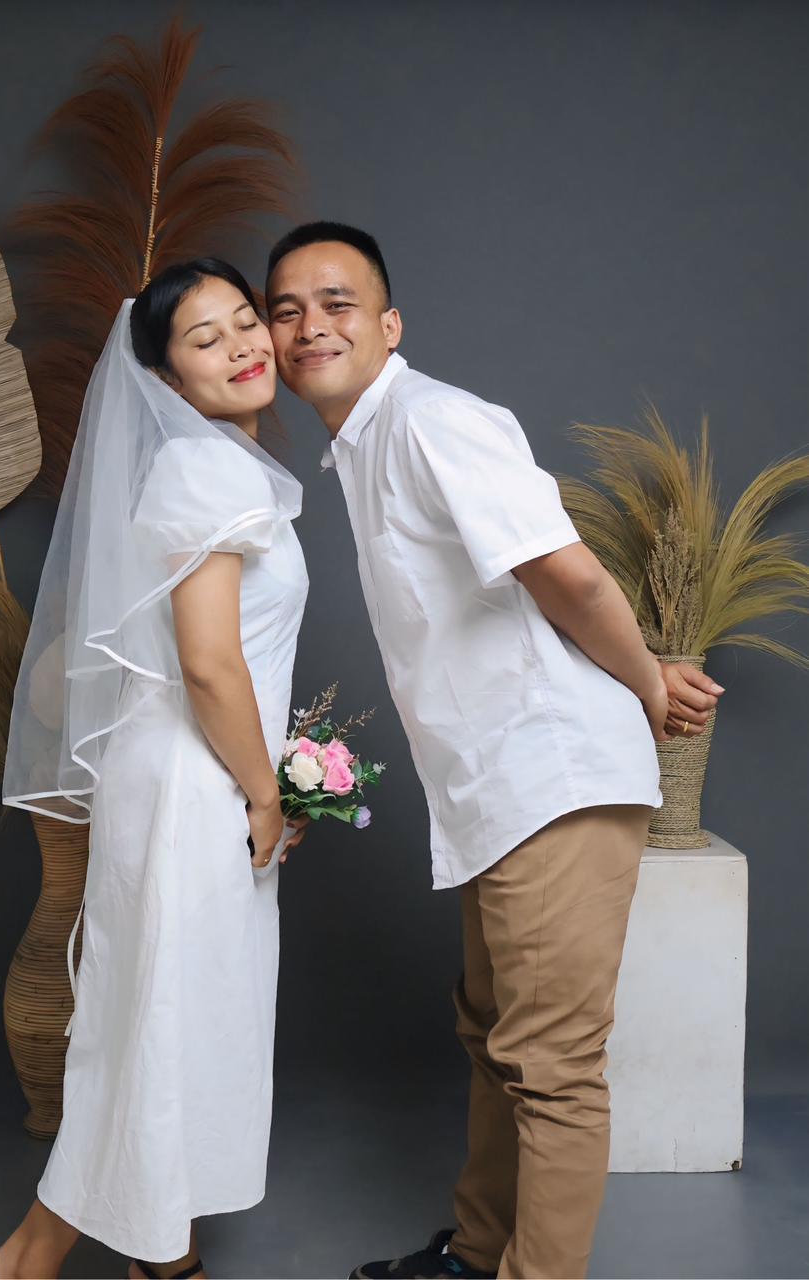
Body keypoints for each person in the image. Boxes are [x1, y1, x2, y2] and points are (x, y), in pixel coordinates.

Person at [266, 222, 724, 1280]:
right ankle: (476, 1256)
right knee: (493, 1037)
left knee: (551, 1065)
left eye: (335, 303)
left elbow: (566, 573)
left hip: (549, 777)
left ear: (389, 325)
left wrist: (647, 683)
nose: (308, 325)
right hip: (493, 789)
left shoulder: (431, 420)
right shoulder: (365, 443)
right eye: (286, 310)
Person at [0, 260, 310, 1280]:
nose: (243, 345)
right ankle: (24, 1260)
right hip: (194, 786)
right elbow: (208, 663)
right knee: (155, 1022)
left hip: (185, 773)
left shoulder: (214, 464)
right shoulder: (206, 472)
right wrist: (266, 793)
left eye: (245, 320)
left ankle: (164, 1256)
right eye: (206, 339)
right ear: (166, 378)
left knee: (174, 1016)